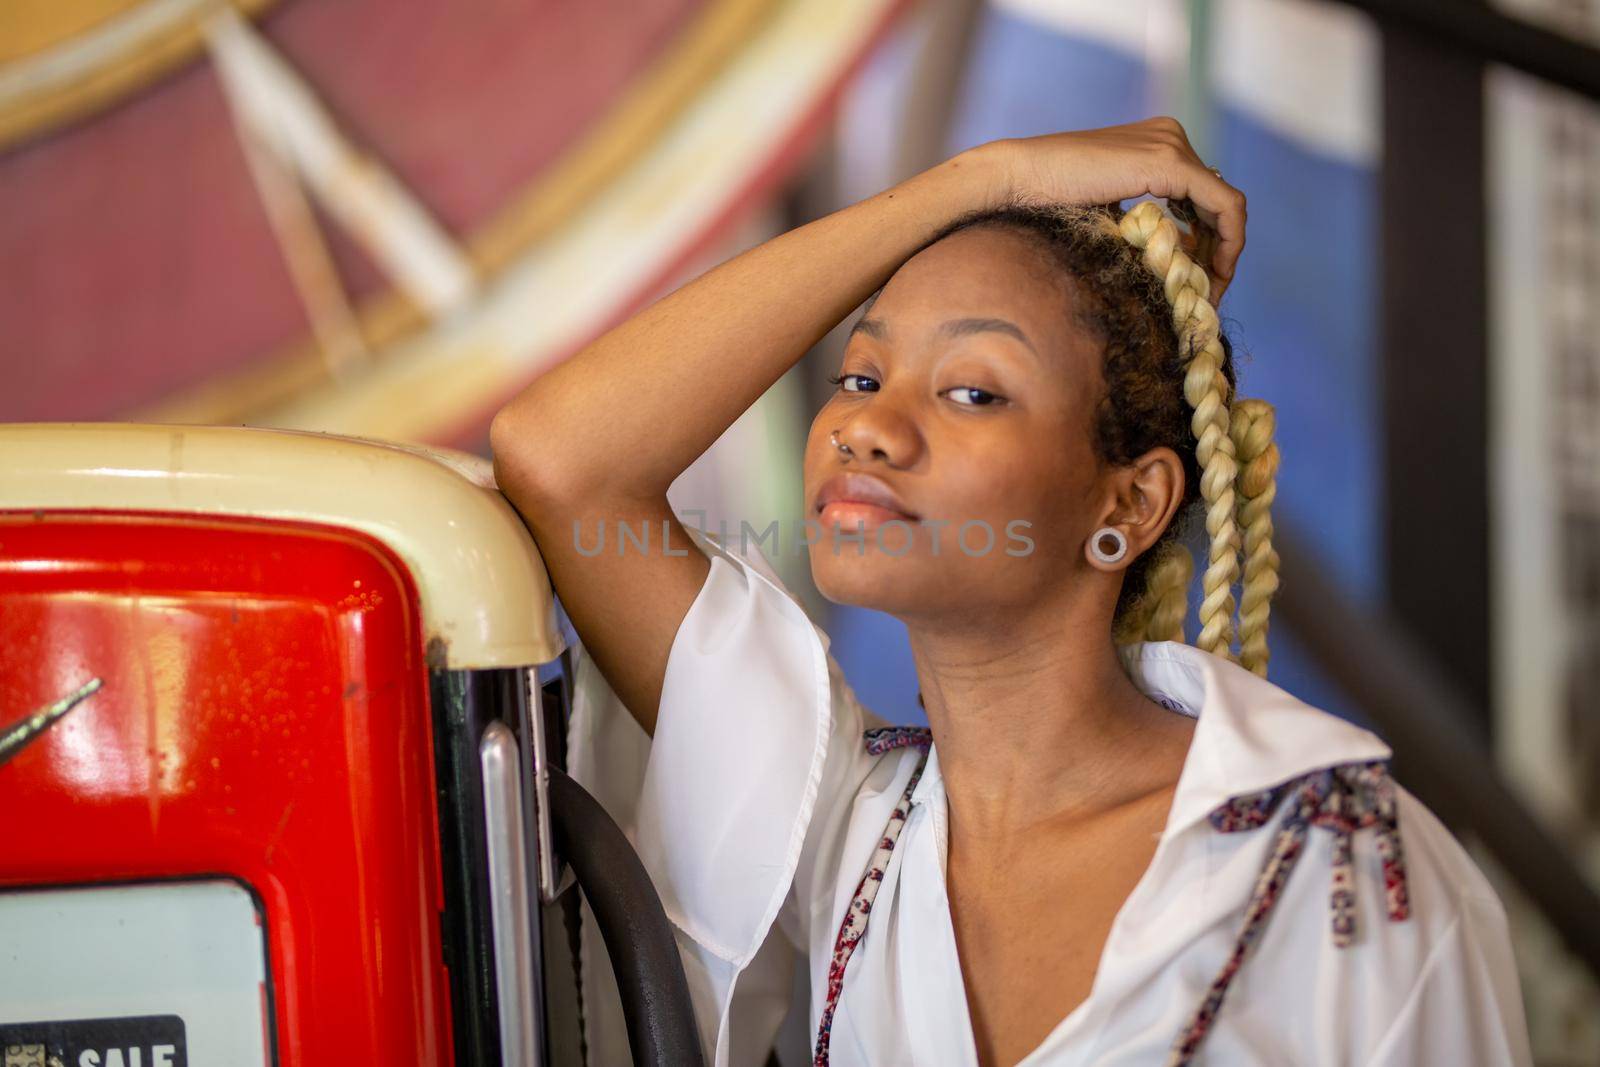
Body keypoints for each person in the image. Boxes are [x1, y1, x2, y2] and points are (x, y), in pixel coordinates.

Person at [490, 117, 1533, 1067]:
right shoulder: (842, 832)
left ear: (1127, 501)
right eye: (859, 376)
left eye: (972, 390)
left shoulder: (1340, 872)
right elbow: (562, 458)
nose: (865, 426)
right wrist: (980, 179)